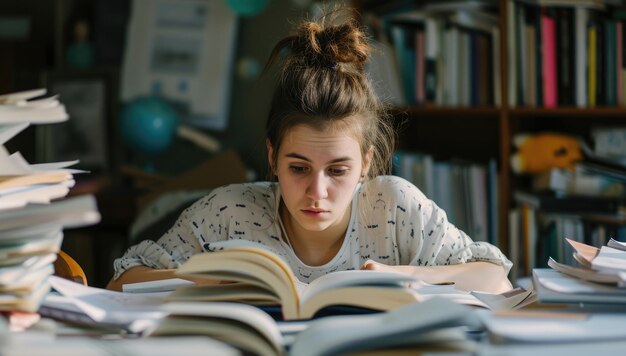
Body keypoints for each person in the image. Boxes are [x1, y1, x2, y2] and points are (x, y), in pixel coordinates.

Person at [107, 11, 512, 293]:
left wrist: (402, 275)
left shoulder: (396, 208)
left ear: (366, 164)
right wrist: (211, 278)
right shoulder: (229, 213)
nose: (316, 192)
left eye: (338, 170)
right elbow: (122, 282)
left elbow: (496, 279)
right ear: (272, 157)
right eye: (298, 167)